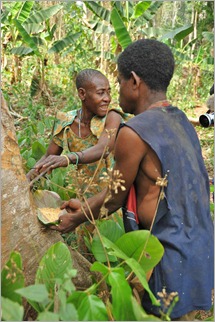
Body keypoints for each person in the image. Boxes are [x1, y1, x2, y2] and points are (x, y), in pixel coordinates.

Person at [50, 39, 214, 320]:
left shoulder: (133, 132)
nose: (115, 92)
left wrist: (78, 216)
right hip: (201, 250)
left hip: (165, 256)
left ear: (135, 82)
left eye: (119, 82)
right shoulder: (182, 122)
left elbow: (114, 197)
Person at [27, 68, 129, 197]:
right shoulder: (66, 121)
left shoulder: (112, 117)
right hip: (84, 199)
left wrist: (68, 158)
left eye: (109, 92)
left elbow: (103, 149)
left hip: (112, 197)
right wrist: (25, 182)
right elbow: (48, 157)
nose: (107, 98)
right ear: (82, 94)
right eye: (100, 93)